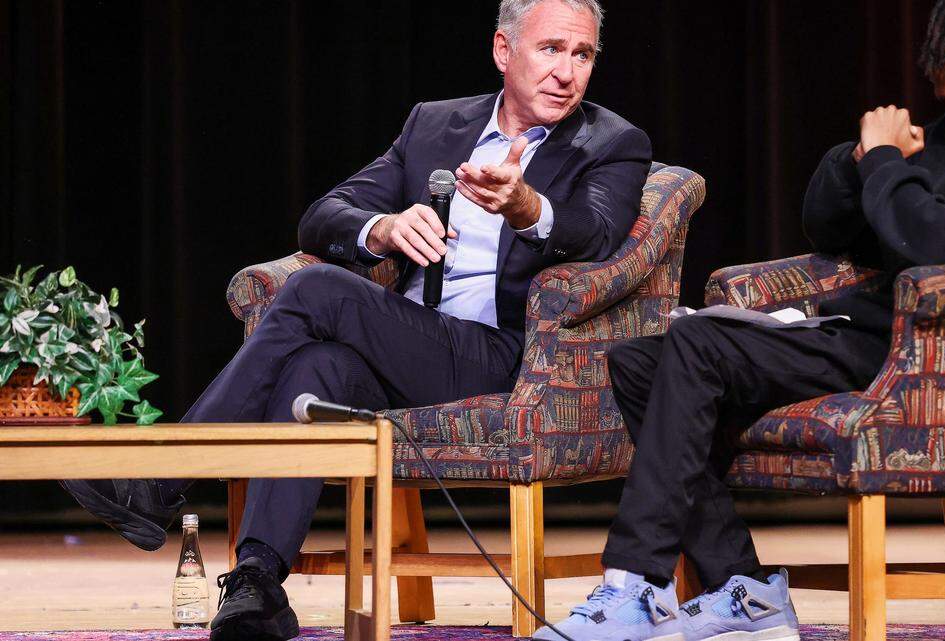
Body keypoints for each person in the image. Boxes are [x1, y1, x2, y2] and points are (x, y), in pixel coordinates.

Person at [59, 1, 650, 640]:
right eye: (551, 49)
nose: (567, 71)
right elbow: (324, 214)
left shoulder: (612, 142)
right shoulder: (436, 125)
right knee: (315, 370)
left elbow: (597, 232)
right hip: (413, 346)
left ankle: (157, 476)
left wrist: (526, 205)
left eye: (582, 54)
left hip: (511, 358)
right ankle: (258, 583)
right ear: (504, 52)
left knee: (318, 291)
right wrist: (384, 227)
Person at [535, 1, 945, 640]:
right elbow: (832, 230)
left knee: (695, 342)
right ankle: (741, 591)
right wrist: (860, 159)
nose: (932, 56)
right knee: (640, 360)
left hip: (944, 354)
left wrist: (889, 162)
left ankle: (635, 582)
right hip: (872, 336)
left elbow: (932, 241)